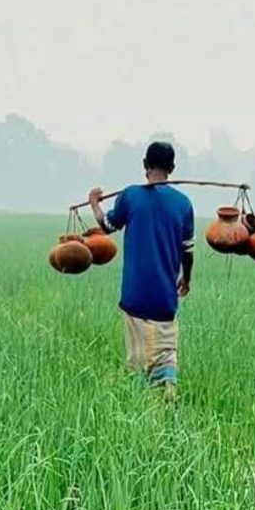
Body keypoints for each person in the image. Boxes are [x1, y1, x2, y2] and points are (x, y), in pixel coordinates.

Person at [88, 141, 194, 401]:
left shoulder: (130, 196)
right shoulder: (183, 204)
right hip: (165, 297)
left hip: (135, 294)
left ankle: (140, 404)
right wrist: (186, 279)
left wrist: (94, 203)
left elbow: (107, 225)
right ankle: (167, 394)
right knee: (166, 351)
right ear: (172, 168)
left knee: (137, 357)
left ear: (145, 165)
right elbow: (188, 250)